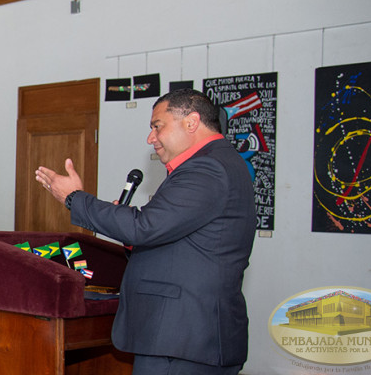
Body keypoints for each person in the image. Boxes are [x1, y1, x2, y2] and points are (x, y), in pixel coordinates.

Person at [34, 88, 256, 375]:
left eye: (157, 126)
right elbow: (171, 238)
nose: (151, 138)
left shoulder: (206, 168)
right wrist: (130, 231)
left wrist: (74, 198)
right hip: (186, 339)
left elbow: (144, 227)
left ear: (191, 122)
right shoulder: (218, 163)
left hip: (183, 340)